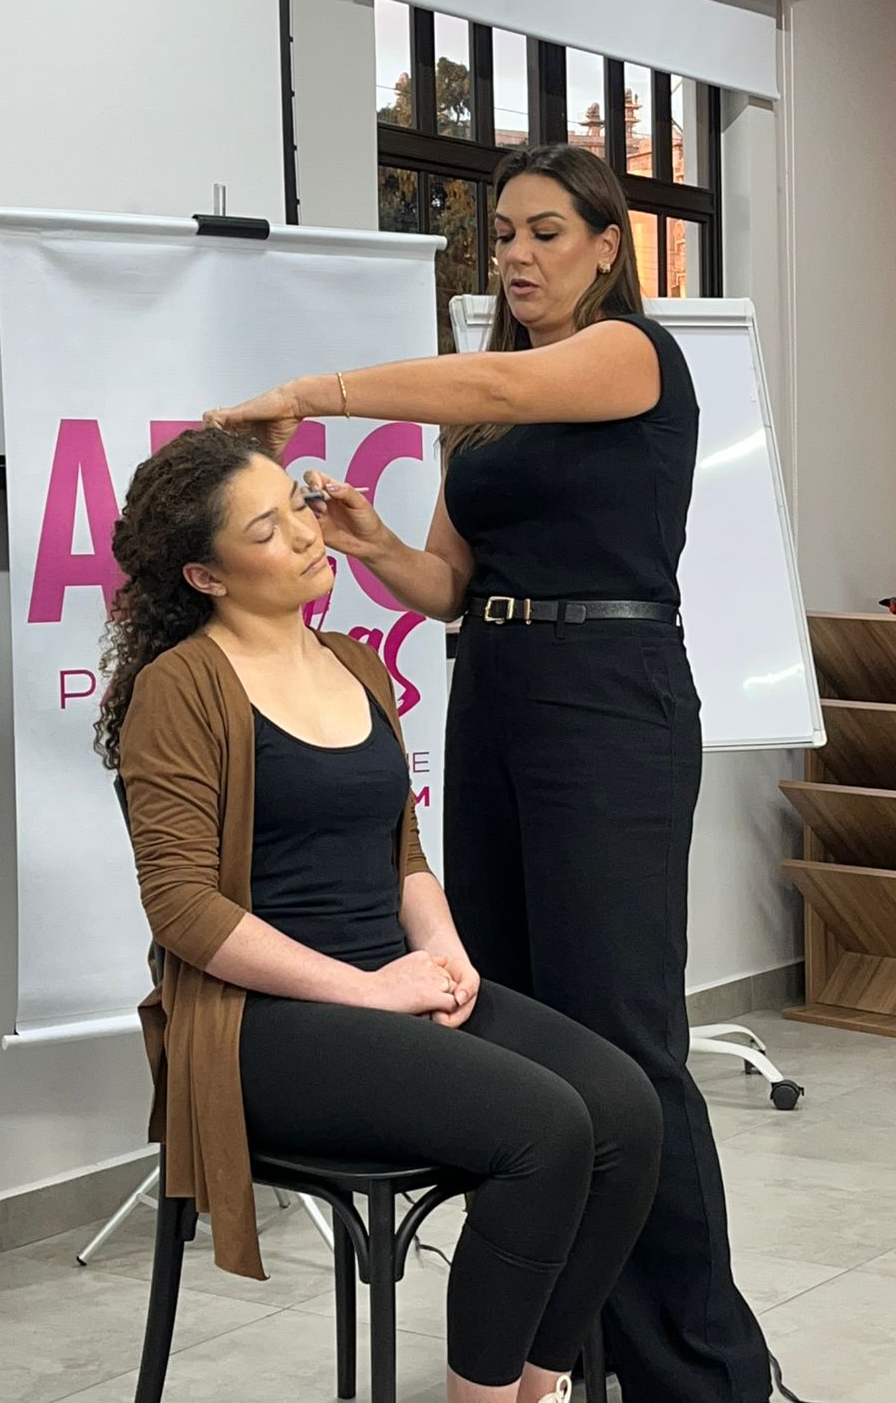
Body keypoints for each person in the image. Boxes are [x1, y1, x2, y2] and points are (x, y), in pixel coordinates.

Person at [204, 143, 778, 1403]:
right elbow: (449, 586)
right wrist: (372, 544)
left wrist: (312, 389)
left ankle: (702, 1372)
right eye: (503, 233)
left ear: (607, 245)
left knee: (626, 1039)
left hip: (610, 700)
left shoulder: (631, 356)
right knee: (520, 1031)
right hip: (501, 692)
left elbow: (495, 383)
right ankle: (559, 1356)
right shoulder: (487, 415)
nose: (516, 253)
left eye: (544, 232)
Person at [96, 426, 662, 1403]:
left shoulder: (356, 664)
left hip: (388, 989)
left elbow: (402, 853)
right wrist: (366, 990)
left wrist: (445, 954)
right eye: (265, 531)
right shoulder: (178, 689)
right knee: (545, 1130)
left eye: (297, 507)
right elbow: (183, 908)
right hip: (261, 1026)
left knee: (626, 1111)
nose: (304, 535)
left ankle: (537, 1386)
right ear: (205, 575)